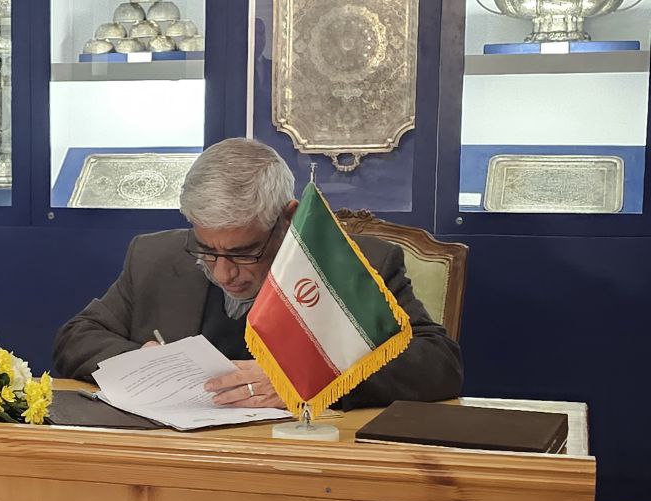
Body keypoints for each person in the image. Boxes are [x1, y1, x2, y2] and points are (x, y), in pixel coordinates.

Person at [52, 138, 462, 410]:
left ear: (287, 219)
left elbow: (438, 365)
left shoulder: (356, 265)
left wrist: (301, 379)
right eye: (207, 250)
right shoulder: (155, 257)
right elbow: (76, 338)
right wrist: (142, 362)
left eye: (243, 252)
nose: (223, 273)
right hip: (180, 458)